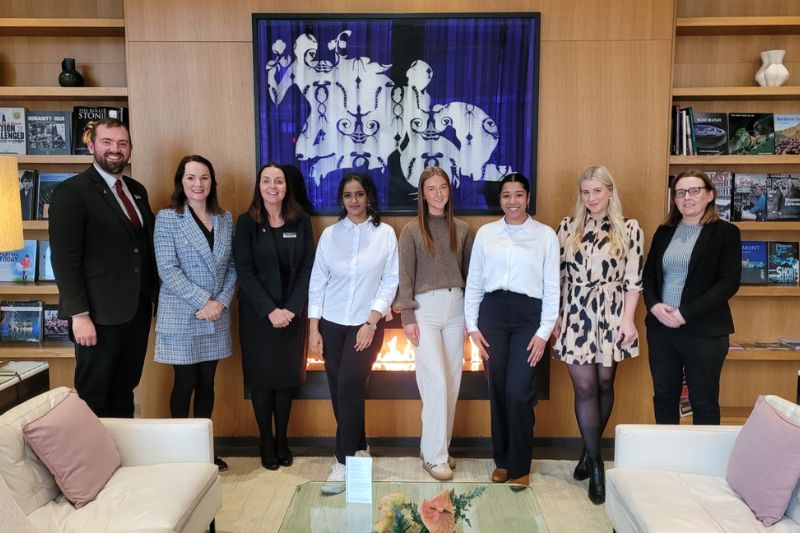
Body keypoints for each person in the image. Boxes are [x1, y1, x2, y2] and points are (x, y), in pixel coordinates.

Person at [49, 118, 156, 417]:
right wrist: (79, 315)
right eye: (107, 142)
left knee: (125, 389)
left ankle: (119, 458)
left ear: (130, 149)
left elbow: (141, 246)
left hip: (136, 310)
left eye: (122, 144)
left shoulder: (136, 190)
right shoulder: (72, 192)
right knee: (94, 394)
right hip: (97, 314)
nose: (115, 150)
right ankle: (90, 462)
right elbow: (64, 259)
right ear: (91, 145)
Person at [552, 165, 644, 505]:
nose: (591, 198)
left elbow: (634, 281)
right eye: (585, 192)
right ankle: (598, 466)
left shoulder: (630, 229)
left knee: (605, 384)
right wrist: (557, 317)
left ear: (609, 191)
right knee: (586, 386)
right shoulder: (567, 227)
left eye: (597, 191)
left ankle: (587, 452)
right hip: (576, 311)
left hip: (612, 314)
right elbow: (558, 278)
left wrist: (629, 320)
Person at [464, 173, 559, 489]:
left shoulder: (545, 235)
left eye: (519, 195)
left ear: (528, 198)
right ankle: (502, 461)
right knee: (498, 390)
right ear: (500, 199)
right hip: (492, 314)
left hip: (527, 317)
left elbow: (552, 286)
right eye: (506, 195)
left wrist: (544, 331)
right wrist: (472, 327)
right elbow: (475, 281)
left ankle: (520, 465)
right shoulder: (486, 234)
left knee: (519, 392)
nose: (513, 201)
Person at [308, 173, 398, 494]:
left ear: (369, 197)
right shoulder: (330, 236)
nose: (354, 201)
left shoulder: (385, 234)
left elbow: (390, 280)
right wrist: (313, 329)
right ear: (342, 199)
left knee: (348, 387)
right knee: (340, 392)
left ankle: (342, 461)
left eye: (359, 194)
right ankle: (360, 448)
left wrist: (372, 322)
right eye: (348, 195)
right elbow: (318, 282)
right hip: (331, 324)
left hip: (367, 326)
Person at [153, 155, 236, 472]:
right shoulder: (168, 218)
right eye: (191, 178)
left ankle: (203, 451)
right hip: (183, 314)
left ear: (212, 181)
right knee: (184, 382)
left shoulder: (226, 218)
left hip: (216, 315)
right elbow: (167, 269)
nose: (198, 184)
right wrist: (204, 301)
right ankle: (179, 452)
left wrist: (222, 301)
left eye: (204, 177)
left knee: (207, 383)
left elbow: (233, 267)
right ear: (181, 181)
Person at [643, 169, 741, 425]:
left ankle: (704, 465)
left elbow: (728, 283)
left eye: (694, 191)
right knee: (664, 397)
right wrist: (654, 307)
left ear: (709, 195)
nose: (687, 197)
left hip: (704, 329)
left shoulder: (726, 233)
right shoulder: (664, 232)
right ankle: (668, 459)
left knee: (704, 401)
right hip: (661, 328)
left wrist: (684, 313)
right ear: (674, 199)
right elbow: (649, 276)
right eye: (680, 192)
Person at [234, 163, 314, 470]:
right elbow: (245, 271)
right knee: (262, 382)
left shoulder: (301, 221)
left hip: (292, 315)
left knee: (285, 382)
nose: (272, 186)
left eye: (278, 181)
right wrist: (270, 310)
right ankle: (265, 440)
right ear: (259, 186)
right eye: (266, 181)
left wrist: (291, 309)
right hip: (259, 316)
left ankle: (282, 439)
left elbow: (309, 267)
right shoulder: (246, 223)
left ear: (286, 187)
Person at [395, 166, 474, 481]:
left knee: (452, 384)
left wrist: (472, 318)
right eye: (431, 188)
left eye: (443, 187)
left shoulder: (464, 229)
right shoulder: (412, 230)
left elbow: (471, 276)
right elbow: (405, 277)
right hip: (425, 309)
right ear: (422, 194)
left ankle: (437, 448)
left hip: (457, 308)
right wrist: (407, 317)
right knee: (435, 383)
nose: (438, 193)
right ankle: (434, 456)